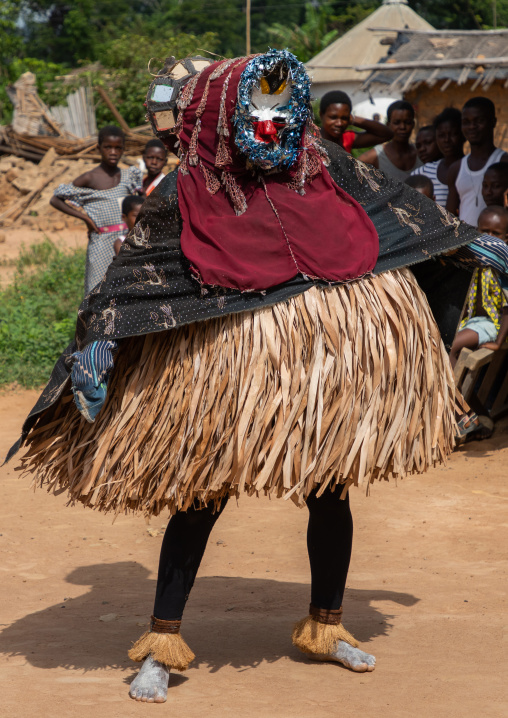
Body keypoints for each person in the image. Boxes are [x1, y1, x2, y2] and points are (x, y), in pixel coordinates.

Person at [8, 51, 506, 705]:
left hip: (323, 361)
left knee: (331, 490)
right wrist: (100, 343)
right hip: (225, 372)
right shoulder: (192, 184)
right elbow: (134, 275)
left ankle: (325, 627)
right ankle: (162, 641)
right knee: (200, 495)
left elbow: (391, 211)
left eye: (279, 112)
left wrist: (464, 242)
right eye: (257, 112)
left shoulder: (320, 163)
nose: (272, 127)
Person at [50, 126, 143, 294]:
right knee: (97, 289)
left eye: (118, 148)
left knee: (125, 287)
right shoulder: (90, 177)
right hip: (101, 241)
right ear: (99, 148)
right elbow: (56, 199)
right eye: (108, 147)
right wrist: (85, 218)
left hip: (125, 239)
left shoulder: (129, 176)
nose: (113, 152)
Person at [449, 206, 508, 367]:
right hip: (473, 321)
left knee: (452, 345)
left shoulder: (503, 266)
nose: (490, 238)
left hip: (494, 325)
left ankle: (451, 391)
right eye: (485, 231)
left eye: (496, 234)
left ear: (506, 237)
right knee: (443, 339)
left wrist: (498, 342)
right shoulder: (474, 261)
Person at [446, 97, 508, 226]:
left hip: (498, 241)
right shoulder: (456, 168)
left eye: (479, 121)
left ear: (493, 122)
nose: (472, 127)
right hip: (466, 244)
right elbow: (449, 218)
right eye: (466, 122)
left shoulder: (504, 162)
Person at [411, 108, 464, 207]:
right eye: (441, 135)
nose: (446, 140)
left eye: (453, 134)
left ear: (463, 134)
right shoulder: (421, 174)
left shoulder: (474, 171)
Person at [358, 100, 422, 181]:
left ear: (413, 124)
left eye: (407, 122)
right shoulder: (377, 156)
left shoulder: (422, 153)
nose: (402, 127)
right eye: (396, 123)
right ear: (388, 125)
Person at [319, 90, 392, 153]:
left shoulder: (346, 139)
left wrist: (353, 119)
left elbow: (386, 134)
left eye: (344, 118)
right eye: (333, 117)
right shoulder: (310, 140)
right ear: (321, 115)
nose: (339, 123)